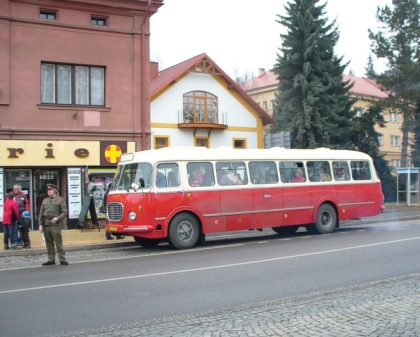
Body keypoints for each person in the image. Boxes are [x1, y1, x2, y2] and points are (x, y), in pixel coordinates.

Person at [38, 184, 69, 266]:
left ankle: (62, 259)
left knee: (58, 242)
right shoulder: (45, 200)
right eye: (48, 190)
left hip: (55, 225)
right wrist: (40, 224)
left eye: (50, 190)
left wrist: (57, 218)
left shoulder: (60, 200)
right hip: (46, 224)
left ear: (55, 190)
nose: (48, 191)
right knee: (49, 243)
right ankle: (51, 259)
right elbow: (41, 213)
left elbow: (65, 212)